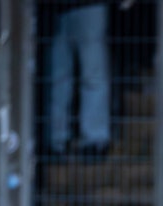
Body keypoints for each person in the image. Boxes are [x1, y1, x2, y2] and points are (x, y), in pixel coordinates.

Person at [45, 1, 116, 159]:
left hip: (87, 7)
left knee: (91, 74)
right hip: (58, 10)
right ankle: (58, 140)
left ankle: (94, 140)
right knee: (59, 79)